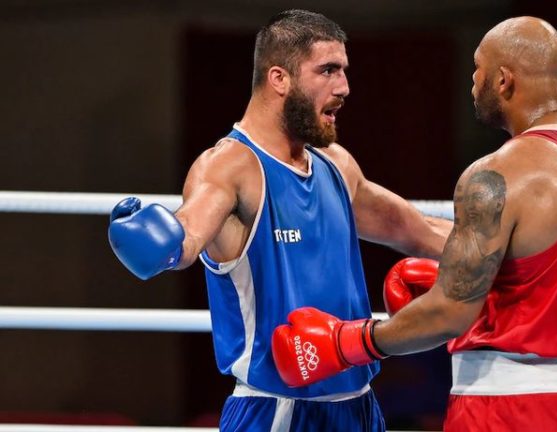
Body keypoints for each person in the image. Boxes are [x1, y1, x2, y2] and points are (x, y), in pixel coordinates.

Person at [272, 16, 557, 432]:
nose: (472, 84)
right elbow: (552, 279)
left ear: (503, 80)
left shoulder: (500, 173)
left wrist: (347, 343)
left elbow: (449, 312)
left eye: (477, 70)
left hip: (507, 407)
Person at [107, 9, 451, 432]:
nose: (344, 87)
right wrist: (157, 241)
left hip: (359, 407)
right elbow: (186, 240)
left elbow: (417, 230)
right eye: (328, 70)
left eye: (343, 70)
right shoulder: (231, 167)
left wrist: (516, 245)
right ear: (279, 78)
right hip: (278, 411)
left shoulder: (335, 164)